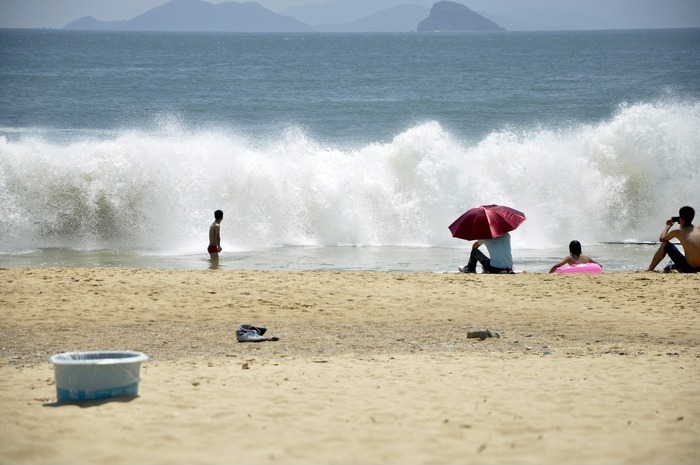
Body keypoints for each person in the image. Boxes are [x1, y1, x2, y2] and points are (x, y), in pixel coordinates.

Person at [647, 206, 700, 273]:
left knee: (665, 244)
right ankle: (672, 266)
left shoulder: (677, 231)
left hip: (689, 268)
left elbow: (662, 238)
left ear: (681, 219)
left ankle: (650, 268)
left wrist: (668, 226)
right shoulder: (698, 228)